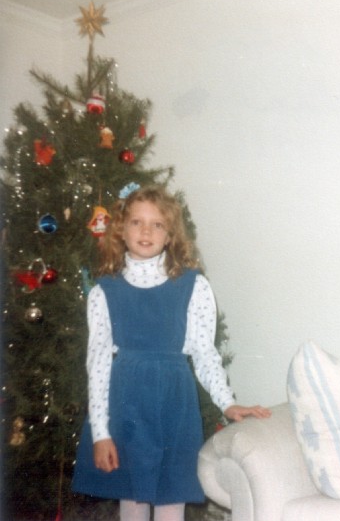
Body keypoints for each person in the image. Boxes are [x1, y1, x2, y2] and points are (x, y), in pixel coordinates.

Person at [72, 185, 271, 521]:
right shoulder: (104, 291)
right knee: (132, 498)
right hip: (126, 407)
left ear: (170, 235)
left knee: (171, 495)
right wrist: (101, 433)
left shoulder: (193, 286)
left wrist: (226, 402)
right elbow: (99, 365)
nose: (146, 231)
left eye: (157, 224)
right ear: (121, 230)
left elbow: (205, 353)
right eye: (137, 222)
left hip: (174, 407)